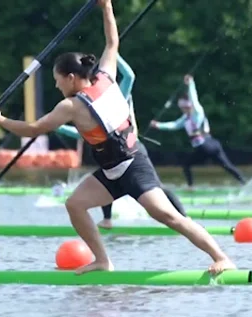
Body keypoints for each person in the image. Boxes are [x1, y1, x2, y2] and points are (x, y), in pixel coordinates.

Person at [0, 0, 234, 275]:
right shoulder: (106, 75)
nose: (56, 85)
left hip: (134, 164)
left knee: (168, 215)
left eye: (58, 80)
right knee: (75, 205)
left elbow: (33, 129)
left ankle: (222, 258)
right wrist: (107, 7)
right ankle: (103, 260)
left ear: (71, 77)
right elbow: (112, 43)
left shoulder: (71, 106)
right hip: (112, 171)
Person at [55, 54, 189, 229]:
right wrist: (58, 126)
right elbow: (85, 135)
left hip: (127, 145)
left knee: (156, 188)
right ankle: (108, 219)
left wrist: (114, 54)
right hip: (114, 149)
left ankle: (185, 220)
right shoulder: (91, 102)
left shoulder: (116, 94)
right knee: (105, 177)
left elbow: (129, 76)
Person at [151, 75, 246, 188]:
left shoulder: (197, 112)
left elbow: (193, 98)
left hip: (205, 145)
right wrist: (158, 125)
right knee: (227, 166)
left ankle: (190, 187)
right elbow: (174, 125)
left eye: (184, 108)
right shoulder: (185, 118)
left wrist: (191, 84)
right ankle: (244, 183)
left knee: (186, 165)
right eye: (182, 108)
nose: (183, 110)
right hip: (212, 144)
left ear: (188, 106)